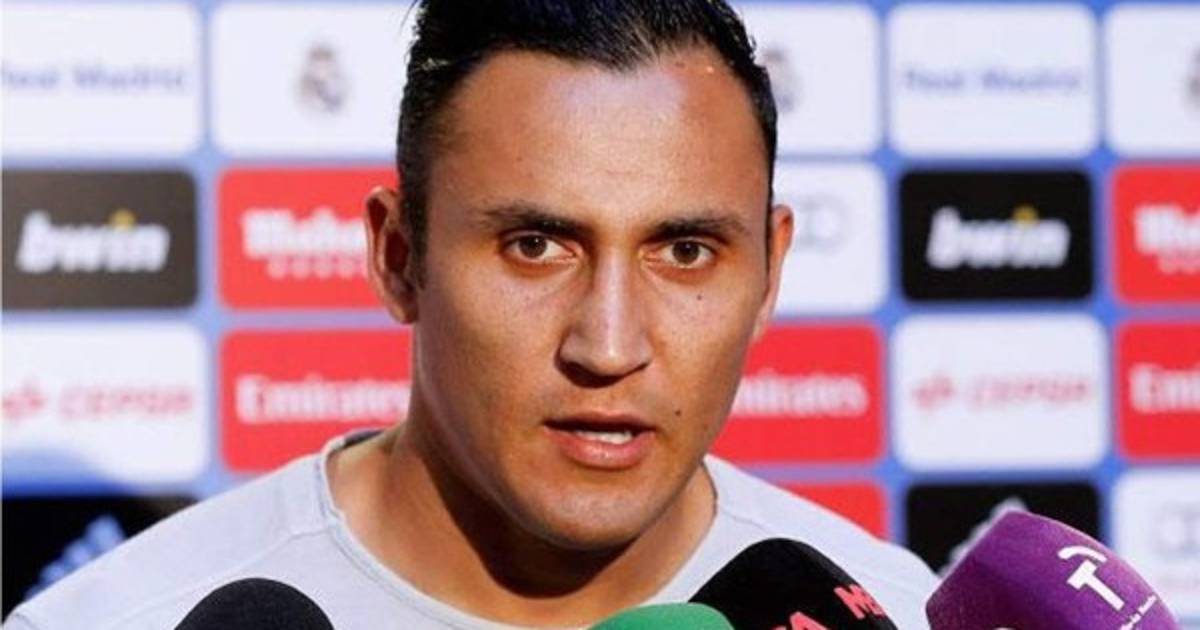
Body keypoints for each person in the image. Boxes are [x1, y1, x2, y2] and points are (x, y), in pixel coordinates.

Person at [7, 1, 938, 628]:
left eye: (685, 251)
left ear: (770, 273)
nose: (609, 344)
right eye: (536, 245)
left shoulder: (894, 610)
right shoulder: (128, 617)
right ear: (398, 257)